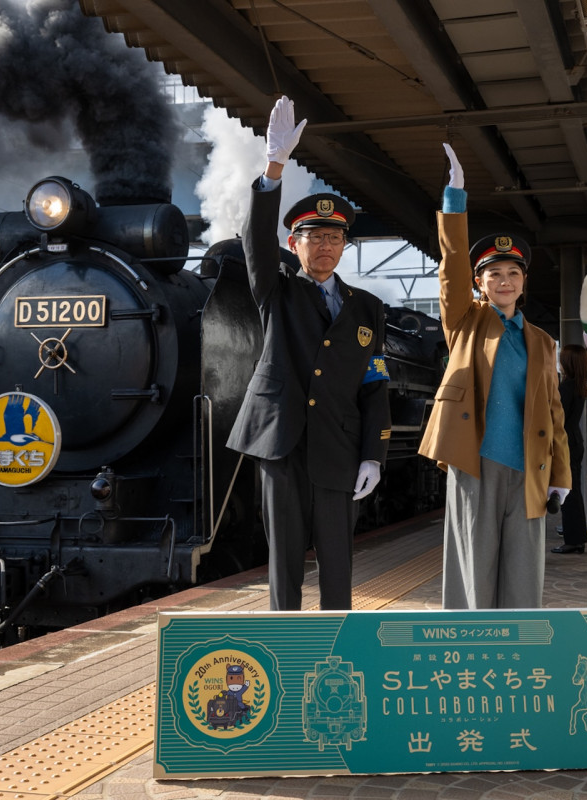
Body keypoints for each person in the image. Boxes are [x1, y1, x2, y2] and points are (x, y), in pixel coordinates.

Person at [226, 96, 391, 611]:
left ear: (344, 246)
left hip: (340, 447)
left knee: (338, 562)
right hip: (282, 443)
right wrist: (274, 168)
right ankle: (285, 644)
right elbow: (255, 240)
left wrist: (374, 453)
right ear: (294, 244)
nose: (325, 246)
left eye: (334, 238)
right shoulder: (277, 291)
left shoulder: (368, 308)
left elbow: (375, 385)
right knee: (285, 561)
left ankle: (338, 645)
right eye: (314, 237)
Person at [418, 143, 571, 609]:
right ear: (479, 283)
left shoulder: (542, 341)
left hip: (529, 468)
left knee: (524, 577)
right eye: (494, 274)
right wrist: (454, 203)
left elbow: (555, 413)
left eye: (513, 273)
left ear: (523, 282)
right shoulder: (466, 322)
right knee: (473, 574)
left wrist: (562, 473)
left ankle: (517, 647)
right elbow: (451, 270)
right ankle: (468, 643)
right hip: (475, 465)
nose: (505, 281)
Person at [553, 344, 587, 554]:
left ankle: (573, 540)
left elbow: (558, 417)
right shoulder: (580, 385)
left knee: (567, 491)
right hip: (575, 440)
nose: (559, 363)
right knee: (573, 490)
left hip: (566, 442)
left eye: (562, 359)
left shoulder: (566, 387)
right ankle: (577, 537)